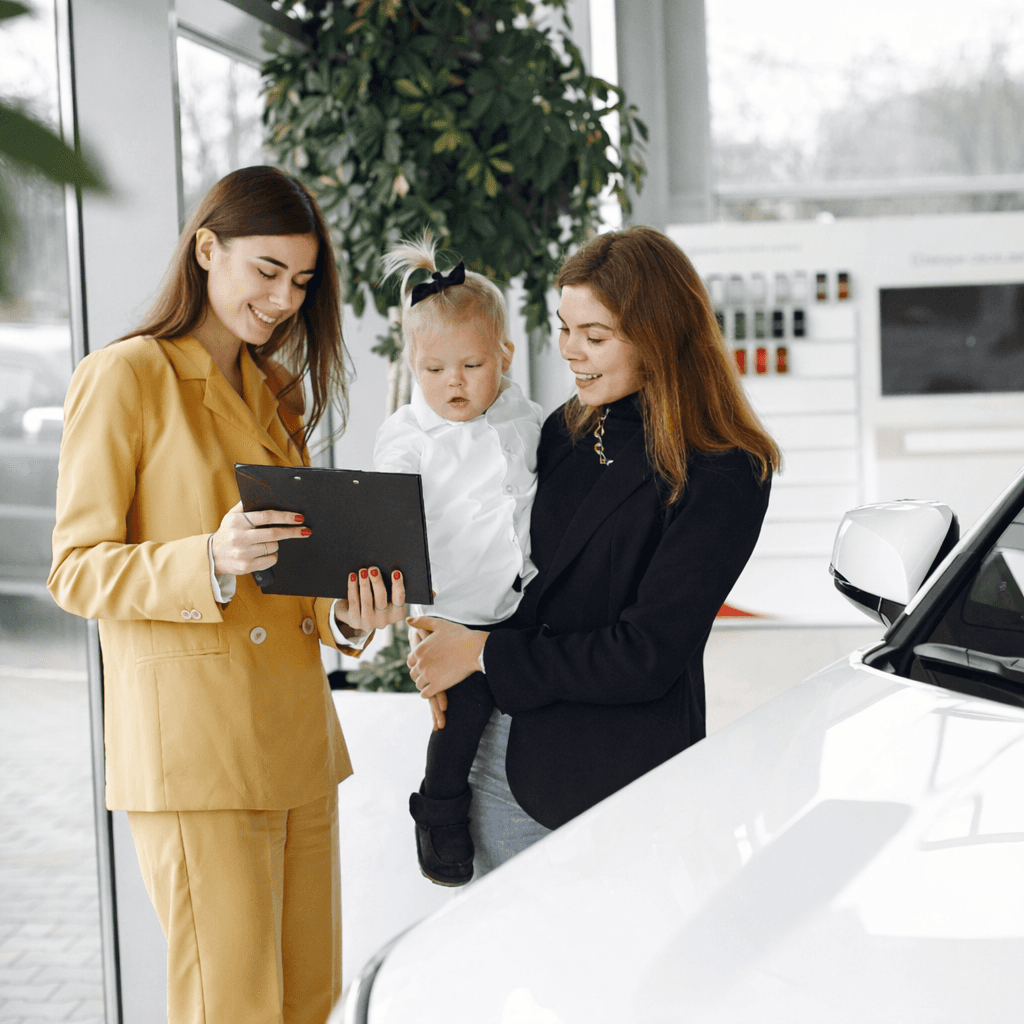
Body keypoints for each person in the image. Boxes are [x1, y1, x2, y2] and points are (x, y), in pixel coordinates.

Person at [48, 166, 405, 1024]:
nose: (284, 299)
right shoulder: (125, 377)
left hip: (295, 744)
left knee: (310, 1001)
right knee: (229, 1008)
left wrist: (346, 615)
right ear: (207, 250)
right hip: (197, 756)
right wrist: (206, 556)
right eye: (267, 271)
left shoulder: (275, 390)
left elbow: (294, 570)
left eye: (302, 281)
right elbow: (74, 568)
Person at [407, 225, 780, 874]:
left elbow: (648, 654)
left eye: (596, 337)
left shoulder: (725, 471)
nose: (572, 353)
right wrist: (448, 638)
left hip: (615, 782)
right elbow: (516, 578)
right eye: (565, 329)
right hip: (501, 756)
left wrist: (483, 652)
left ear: (659, 337)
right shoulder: (567, 428)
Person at [373, 234, 543, 886]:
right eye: (435, 370)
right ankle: (438, 811)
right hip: (454, 609)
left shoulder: (524, 416)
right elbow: (387, 507)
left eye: (471, 366)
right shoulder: (411, 435)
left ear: (503, 355)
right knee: (460, 715)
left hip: (525, 600)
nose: (454, 384)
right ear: (414, 365)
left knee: (530, 697)